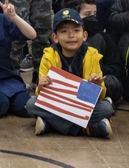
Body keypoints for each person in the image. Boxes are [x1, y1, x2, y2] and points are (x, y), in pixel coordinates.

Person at [28, 8, 114, 138]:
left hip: (82, 104)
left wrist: (95, 86)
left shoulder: (91, 55)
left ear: (84, 35)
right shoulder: (48, 55)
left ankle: (51, 124)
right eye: (64, 31)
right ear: (55, 37)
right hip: (58, 102)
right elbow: (41, 93)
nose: (71, 35)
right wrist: (40, 86)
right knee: (31, 104)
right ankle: (87, 129)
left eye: (76, 30)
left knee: (106, 108)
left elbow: (101, 95)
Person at [62, 0, 125, 105]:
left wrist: (96, 72)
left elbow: (116, 67)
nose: (92, 18)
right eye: (87, 15)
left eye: (94, 14)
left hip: (95, 81)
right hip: (70, 83)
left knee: (113, 83)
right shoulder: (62, 37)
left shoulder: (102, 38)